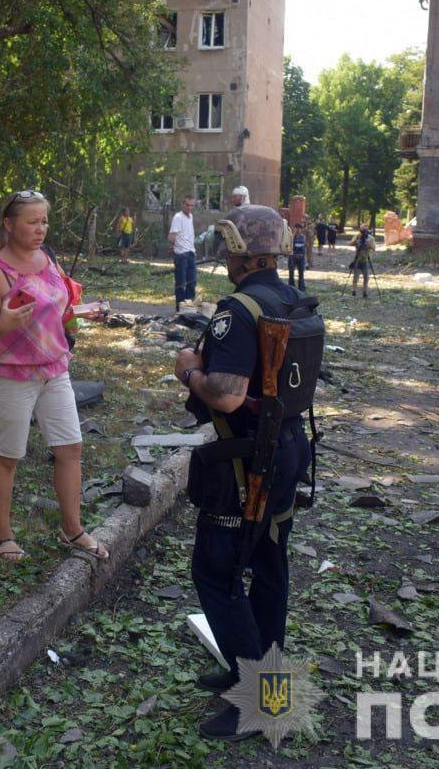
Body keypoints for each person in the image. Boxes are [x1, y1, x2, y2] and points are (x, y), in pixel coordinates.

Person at [174, 204, 310, 740]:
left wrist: (189, 370)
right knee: (270, 567)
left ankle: (262, 704)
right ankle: (255, 678)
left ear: (237, 252)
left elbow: (227, 397)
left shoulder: (240, 308)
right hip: (290, 448)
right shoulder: (291, 298)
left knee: (217, 573)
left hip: (248, 461)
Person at [0, 190, 107, 563]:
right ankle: (3, 537)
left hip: (55, 371)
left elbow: (58, 310)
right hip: (11, 377)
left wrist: (83, 312)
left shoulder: (47, 259)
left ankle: (72, 529)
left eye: (44, 220)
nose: (41, 228)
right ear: (9, 225)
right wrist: (2, 324)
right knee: (8, 456)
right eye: (32, 221)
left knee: (70, 449)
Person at [169, 196, 197, 311]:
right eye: (187, 205)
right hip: (181, 254)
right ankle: (180, 309)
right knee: (181, 283)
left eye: (192, 205)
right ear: (183, 204)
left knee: (192, 281)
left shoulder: (191, 216)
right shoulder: (178, 217)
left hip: (191, 253)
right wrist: (172, 245)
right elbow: (171, 236)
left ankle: (188, 307)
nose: (190, 207)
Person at [350, 224, 374, 297]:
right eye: (362, 229)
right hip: (358, 259)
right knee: (355, 276)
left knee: (366, 277)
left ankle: (365, 292)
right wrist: (357, 240)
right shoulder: (357, 236)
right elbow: (351, 243)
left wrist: (369, 244)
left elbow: (374, 248)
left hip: (366, 259)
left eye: (365, 229)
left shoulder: (370, 238)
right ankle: (354, 291)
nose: (364, 231)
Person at [287, 221, 307, 290]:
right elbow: (289, 247)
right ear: (294, 228)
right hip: (292, 258)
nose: (298, 230)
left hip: (301, 258)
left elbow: (304, 247)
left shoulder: (303, 238)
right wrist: (293, 236)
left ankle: (301, 288)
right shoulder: (291, 237)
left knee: (301, 273)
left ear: (301, 229)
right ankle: (291, 287)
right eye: (296, 228)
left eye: (299, 228)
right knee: (291, 273)